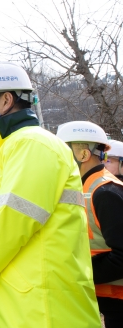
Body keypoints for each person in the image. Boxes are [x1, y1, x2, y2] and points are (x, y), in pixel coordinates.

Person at [0, 62, 100, 327]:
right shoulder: (16, 145)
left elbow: (15, 220)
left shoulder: (32, 144)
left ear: (6, 100)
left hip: (45, 304)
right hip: (29, 295)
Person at [56, 121, 123, 325]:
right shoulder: (83, 188)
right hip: (102, 299)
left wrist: (78, 274)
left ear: (84, 155)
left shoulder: (106, 192)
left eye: (62, 152)